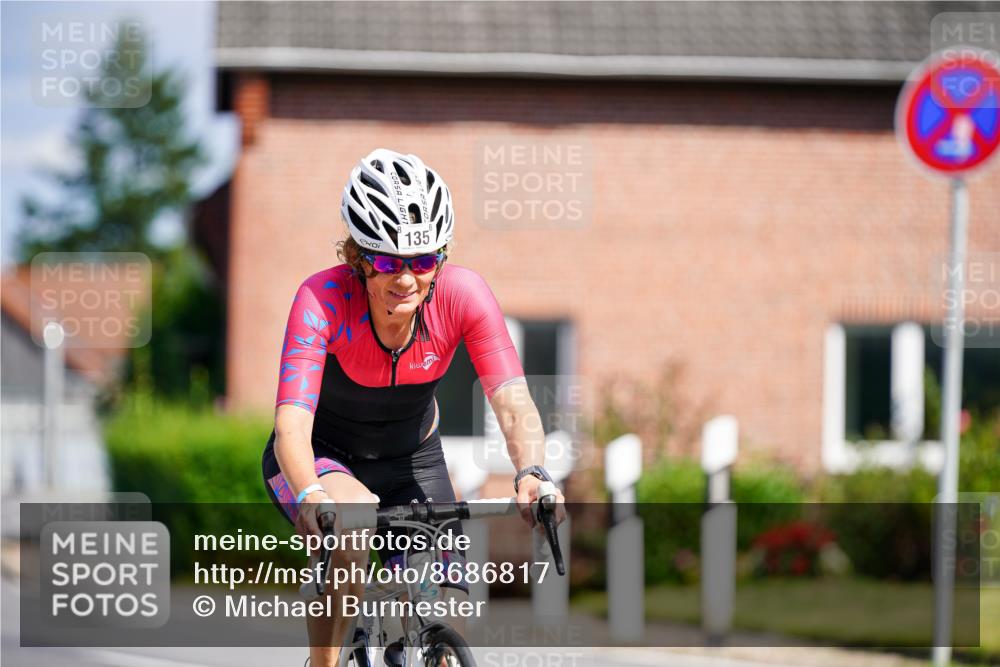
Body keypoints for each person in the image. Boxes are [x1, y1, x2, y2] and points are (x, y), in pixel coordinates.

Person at [261, 148, 564, 666]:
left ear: (440, 258)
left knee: (444, 609)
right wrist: (311, 493)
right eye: (386, 263)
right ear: (358, 258)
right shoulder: (322, 299)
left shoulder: (463, 295)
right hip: (323, 457)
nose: (405, 280)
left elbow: (512, 401)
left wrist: (532, 472)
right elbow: (291, 424)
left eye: (422, 262)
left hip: (412, 458)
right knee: (353, 526)